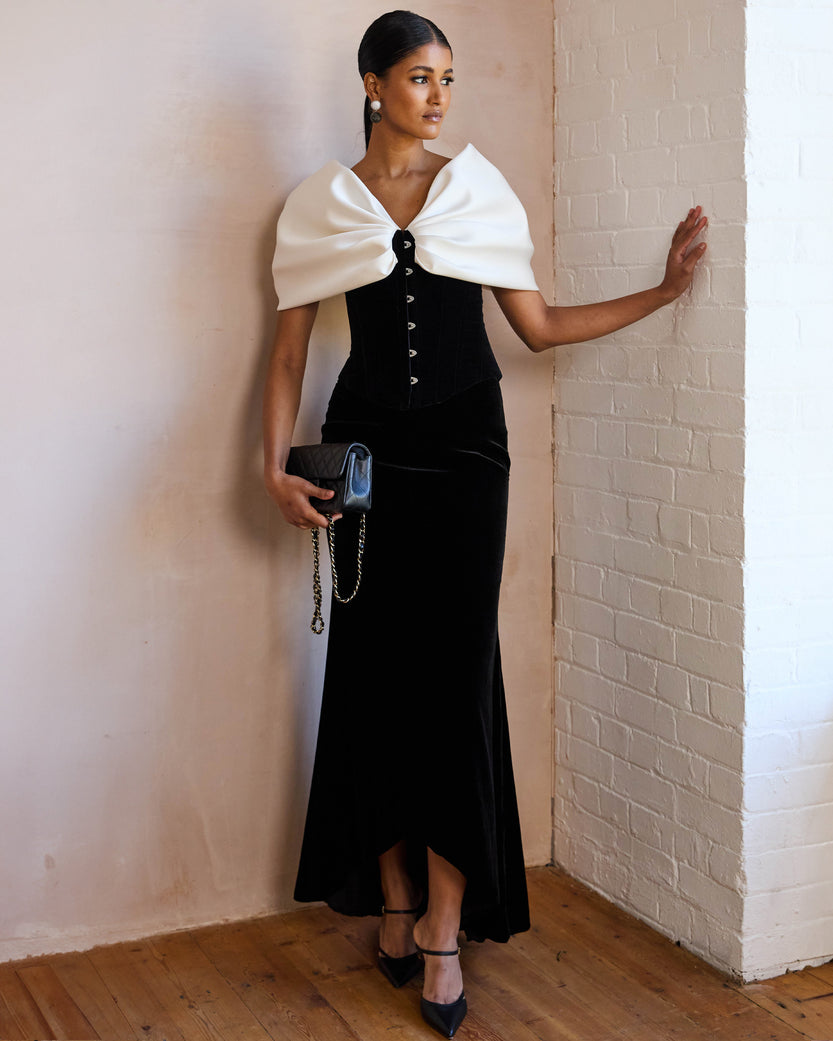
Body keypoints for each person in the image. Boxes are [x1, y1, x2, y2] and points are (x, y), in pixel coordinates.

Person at [264, 11, 707, 1038]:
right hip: (366, 453)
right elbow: (287, 353)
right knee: (371, 674)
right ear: (373, 86)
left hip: (468, 456)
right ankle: (392, 899)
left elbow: (537, 329)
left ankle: (442, 929)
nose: (439, 97)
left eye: (448, 79)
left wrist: (662, 291)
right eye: (420, 77)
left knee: (457, 681)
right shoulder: (321, 205)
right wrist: (270, 468)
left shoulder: (477, 190)